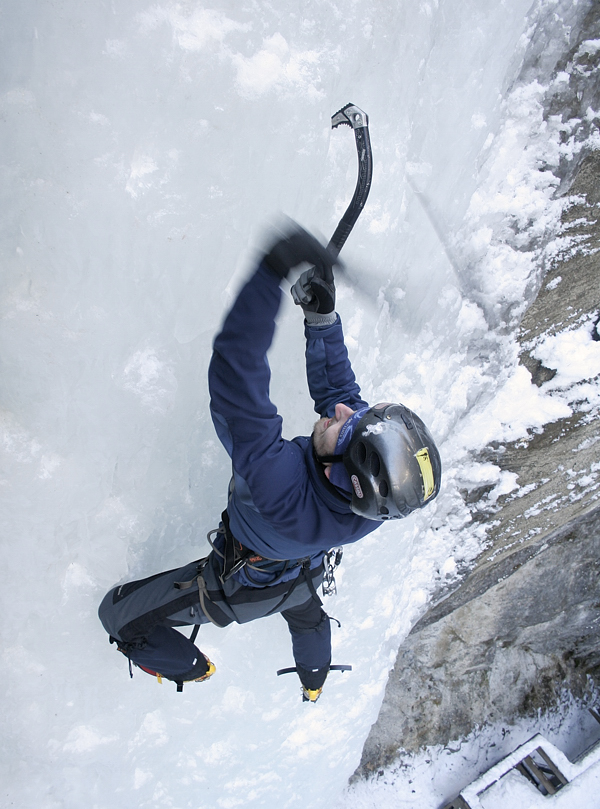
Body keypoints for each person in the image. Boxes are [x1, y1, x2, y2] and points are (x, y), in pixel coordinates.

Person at [98, 223, 441, 701]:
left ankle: (193, 668)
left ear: (342, 472)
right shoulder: (373, 502)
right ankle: (314, 682)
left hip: (242, 588)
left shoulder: (280, 490)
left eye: (345, 426)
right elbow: (342, 399)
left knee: (117, 617)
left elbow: (238, 379)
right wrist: (322, 320)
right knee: (306, 614)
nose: (343, 412)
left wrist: (271, 269)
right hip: (305, 570)